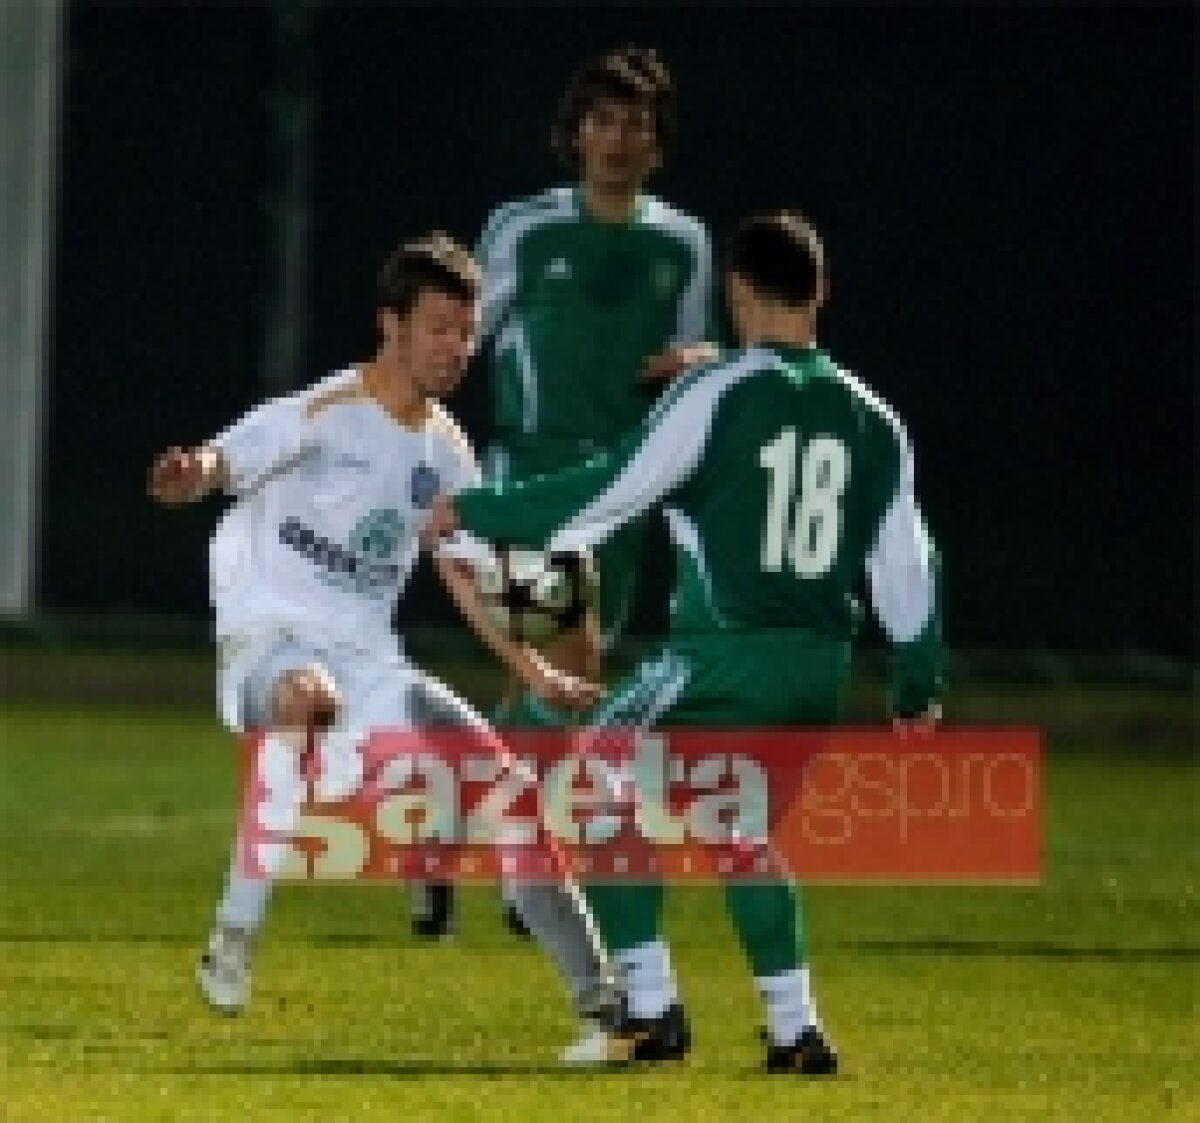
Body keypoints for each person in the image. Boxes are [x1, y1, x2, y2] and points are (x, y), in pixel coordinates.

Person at [427, 211, 946, 1073]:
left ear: (737, 291)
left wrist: (477, 510)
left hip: (722, 657)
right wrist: (915, 680)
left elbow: (610, 489)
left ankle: (652, 1008)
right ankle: (795, 1028)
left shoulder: (715, 393)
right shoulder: (874, 417)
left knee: (588, 771)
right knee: (736, 828)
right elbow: (911, 566)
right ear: (821, 291)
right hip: (818, 668)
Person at [146, 233, 619, 1055]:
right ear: (390, 325)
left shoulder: (447, 453)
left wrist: (532, 667)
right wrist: (194, 472)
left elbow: (466, 578)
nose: (454, 348)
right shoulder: (328, 410)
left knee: (510, 796)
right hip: (271, 639)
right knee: (306, 701)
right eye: (438, 327)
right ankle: (234, 935)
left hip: (371, 663)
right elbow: (231, 455)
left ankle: (604, 1006)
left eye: (466, 332)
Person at [414, 43, 720, 941]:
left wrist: (700, 364)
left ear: (658, 141)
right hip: (534, 477)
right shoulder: (524, 228)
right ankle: (528, 876)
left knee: (549, 688)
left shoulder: (685, 243)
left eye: (637, 123)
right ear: (576, 134)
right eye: (604, 120)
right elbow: (460, 334)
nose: (619, 138)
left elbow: (692, 364)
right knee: (569, 665)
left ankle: (441, 832)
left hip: (624, 488)